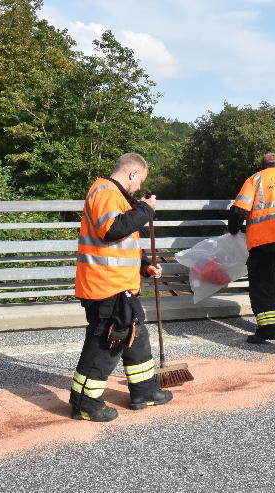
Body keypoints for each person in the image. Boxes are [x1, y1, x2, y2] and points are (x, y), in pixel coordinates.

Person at [70, 152, 173, 422]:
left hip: (118, 284)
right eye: (140, 181)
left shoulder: (115, 196)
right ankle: (84, 403)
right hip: (105, 286)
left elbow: (120, 244)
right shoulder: (105, 191)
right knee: (106, 342)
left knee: (136, 336)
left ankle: (145, 391)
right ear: (132, 174)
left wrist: (144, 265)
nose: (138, 188)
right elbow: (113, 229)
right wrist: (146, 210)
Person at [229, 153, 275, 343]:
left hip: (264, 241)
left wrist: (233, 229)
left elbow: (239, 209)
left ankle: (268, 330)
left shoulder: (256, 179)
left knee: (262, 286)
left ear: (263, 165)